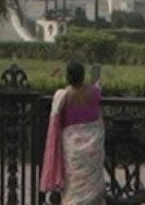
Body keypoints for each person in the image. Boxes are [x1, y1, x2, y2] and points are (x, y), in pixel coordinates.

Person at [40, 60, 106, 202]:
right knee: (92, 186)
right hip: (93, 144)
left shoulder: (63, 96)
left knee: (73, 182)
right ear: (83, 76)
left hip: (72, 147)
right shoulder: (94, 93)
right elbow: (98, 90)